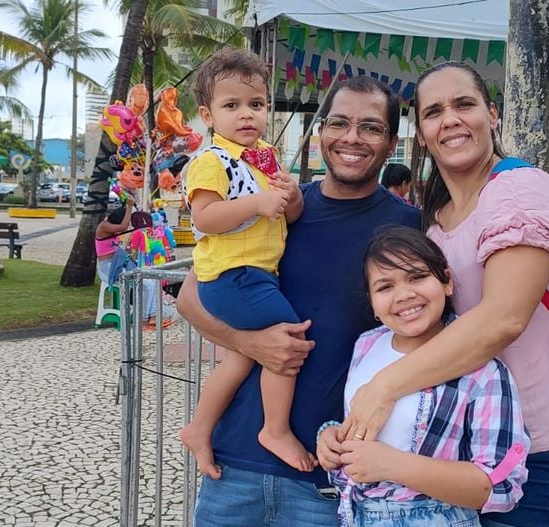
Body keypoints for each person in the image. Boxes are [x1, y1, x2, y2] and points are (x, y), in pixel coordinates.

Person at [335, 62, 549, 527]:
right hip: (448, 458)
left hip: (526, 452)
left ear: (492, 115)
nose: (449, 119)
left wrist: (383, 388)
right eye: (434, 112)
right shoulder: (435, 216)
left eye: (463, 104)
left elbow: (503, 319)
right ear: (422, 134)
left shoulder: (519, 192)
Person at [175, 75, 420, 525]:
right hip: (235, 464)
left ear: (390, 144)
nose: (351, 138)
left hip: (327, 474)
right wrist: (250, 344)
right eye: (339, 123)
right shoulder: (277, 206)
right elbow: (190, 297)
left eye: (370, 127)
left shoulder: (411, 229)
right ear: (321, 131)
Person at [319, 227, 529, 526]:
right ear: (372, 302)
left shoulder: (482, 370)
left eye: (417, 277)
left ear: (447, 281)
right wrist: (332, 439)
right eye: (384, 286)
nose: (404, 295)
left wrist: (391, 465)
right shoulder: (367, 344)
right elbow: (365, 426)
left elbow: (499, 486)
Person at [179, 48, 312, 474]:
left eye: (256, 105)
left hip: (256, 274)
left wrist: (290, 199)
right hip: (233, 275)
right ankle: (274, 429)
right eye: (231, 105)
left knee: (239, 358)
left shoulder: (267, 155)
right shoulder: (209, 162)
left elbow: (288, 214)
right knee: (286, 341)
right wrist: (257, 202)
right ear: (209, 114)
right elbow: (205, 218)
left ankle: (199, 428)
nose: (246, 115)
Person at [95, 196, 171, 330]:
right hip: (107, 268)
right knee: (145, 284)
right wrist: (130, 206)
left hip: (118, 265)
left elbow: (124, 229)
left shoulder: (114, 228)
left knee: (153, 280)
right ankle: (141, 321)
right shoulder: (104, 226)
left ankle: (152, 317)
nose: (128, 224)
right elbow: (123, 226)